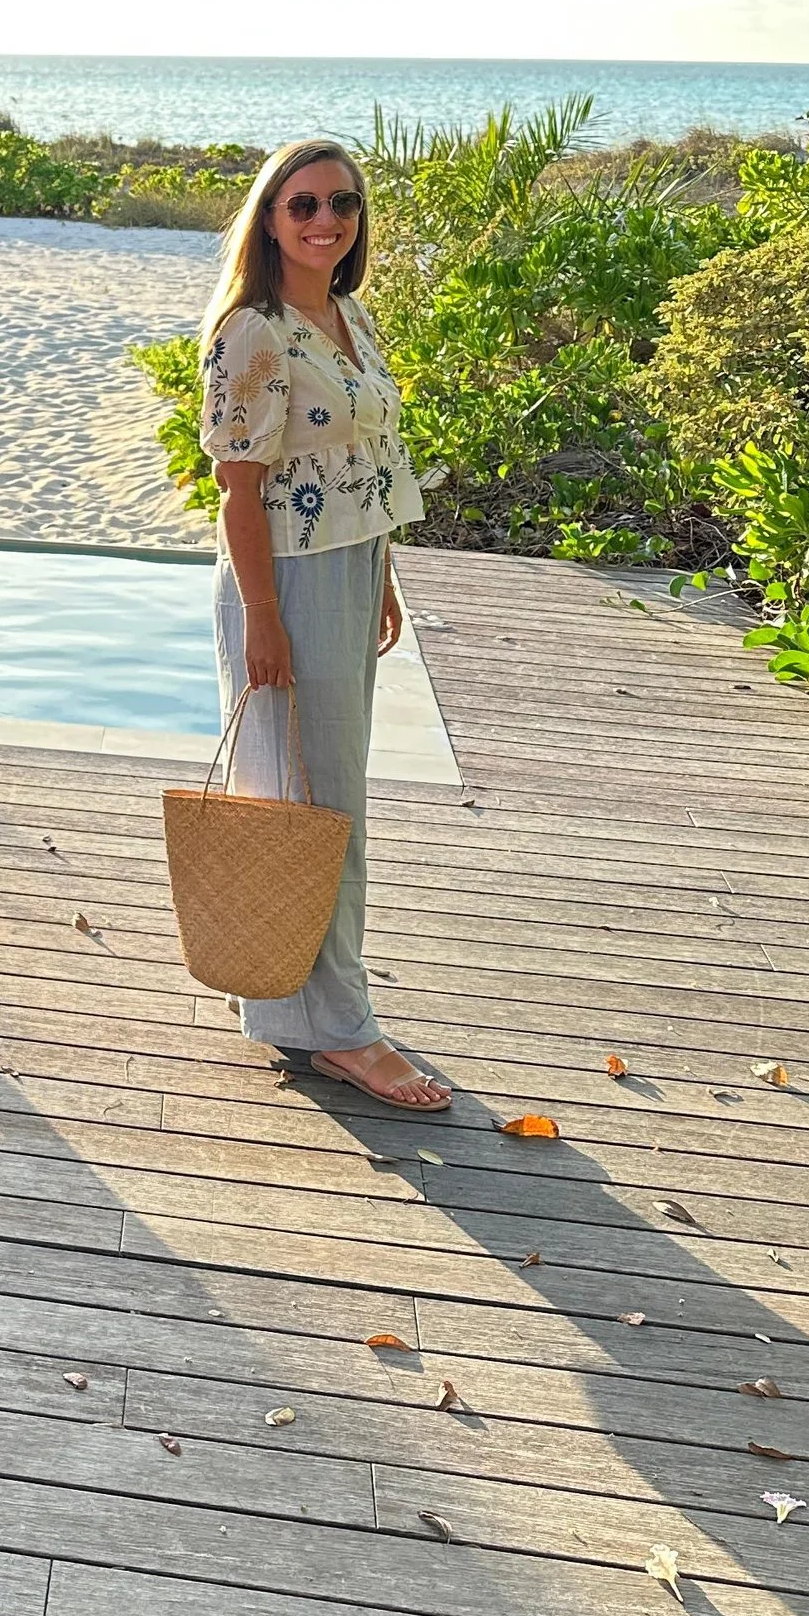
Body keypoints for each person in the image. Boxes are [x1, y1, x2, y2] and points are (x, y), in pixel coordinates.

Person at [195, 137, 448, 1110]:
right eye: (300, 205)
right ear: (268, 219)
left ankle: (282, 995)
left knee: (307, 796)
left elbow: (361, 468)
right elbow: (238, 494)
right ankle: (339, 1031)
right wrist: (263, 618)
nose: (323, 220)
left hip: (345, 571)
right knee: (317, 806)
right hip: (285, 584)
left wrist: (380, 577)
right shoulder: (251, 332)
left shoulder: (348, 316)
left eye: (340, 203)